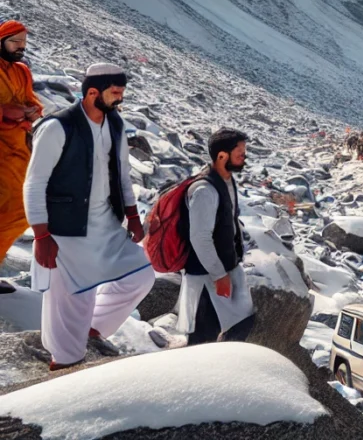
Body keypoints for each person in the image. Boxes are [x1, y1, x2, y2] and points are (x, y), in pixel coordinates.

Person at [24, 64, 154, 369]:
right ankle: (65, 362)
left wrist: (133, 216)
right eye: (115, 93)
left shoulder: (116, 124)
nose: (120, 98)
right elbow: (34, 183)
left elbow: (122, 174)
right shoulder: (57, 127)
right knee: (73, 301)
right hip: (66, 231)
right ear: (92, 92)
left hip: (106, 224)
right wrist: (42, 235)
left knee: (142, 274)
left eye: (122, 92)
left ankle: (94, 328)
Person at [178, 128, 255, 345]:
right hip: (206, 276)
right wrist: (219, 275)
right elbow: (200, 238)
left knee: (239, 325)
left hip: (223, 271)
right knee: (202, 338)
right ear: (222, 156)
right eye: (240, 154)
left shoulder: (226, 181)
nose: (244, 159)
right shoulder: (204, 190)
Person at [0, 21, 42, 261]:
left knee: (21, 210)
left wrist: (33, 110)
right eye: (15, 41)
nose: (20, 47)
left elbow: (31, 100)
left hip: (20, 151)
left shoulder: (21, 71)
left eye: (24, 43)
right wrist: (6, 112)